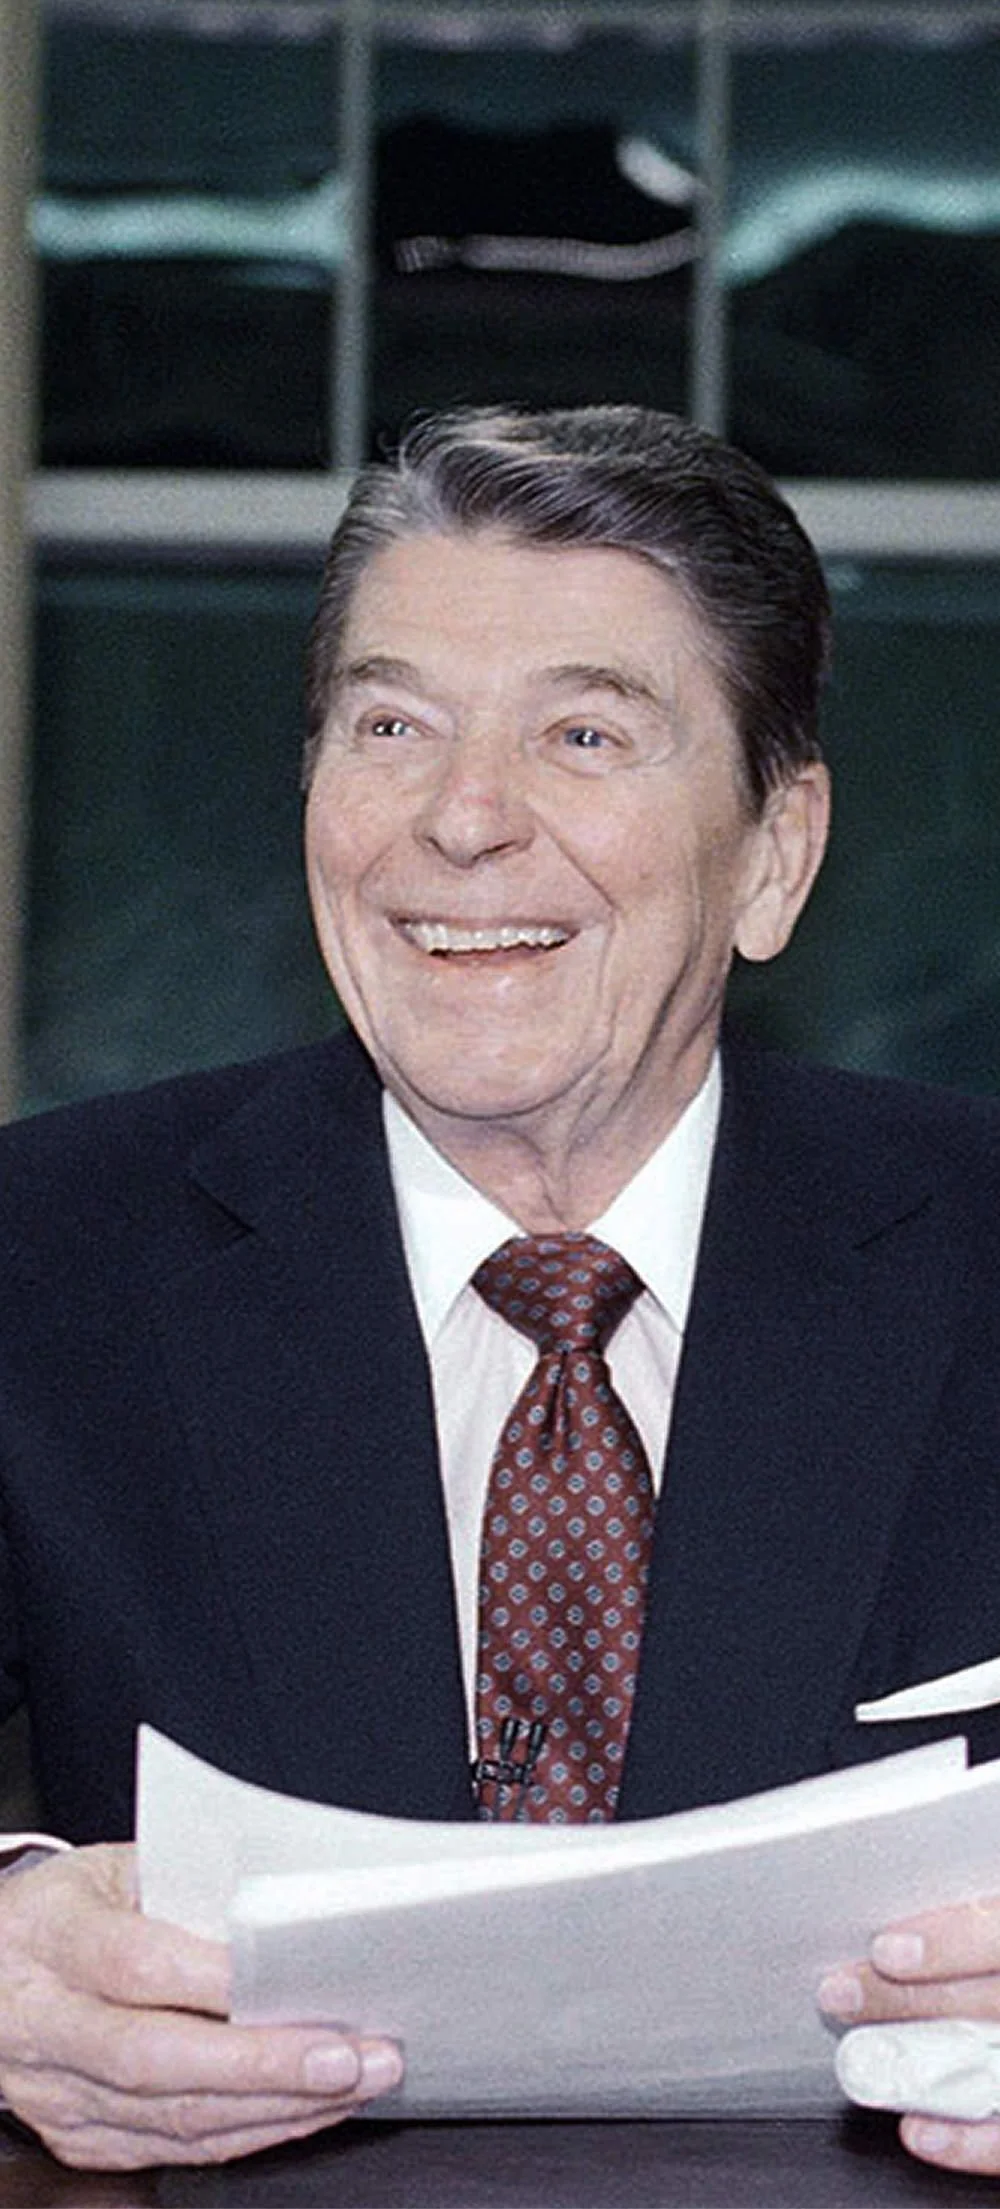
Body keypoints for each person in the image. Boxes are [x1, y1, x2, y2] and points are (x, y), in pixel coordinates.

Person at [0, 402, 999, 2176]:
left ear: (775, 851)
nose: (464, 820)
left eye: (586, 732)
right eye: (391, 725)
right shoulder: (42, 1257)